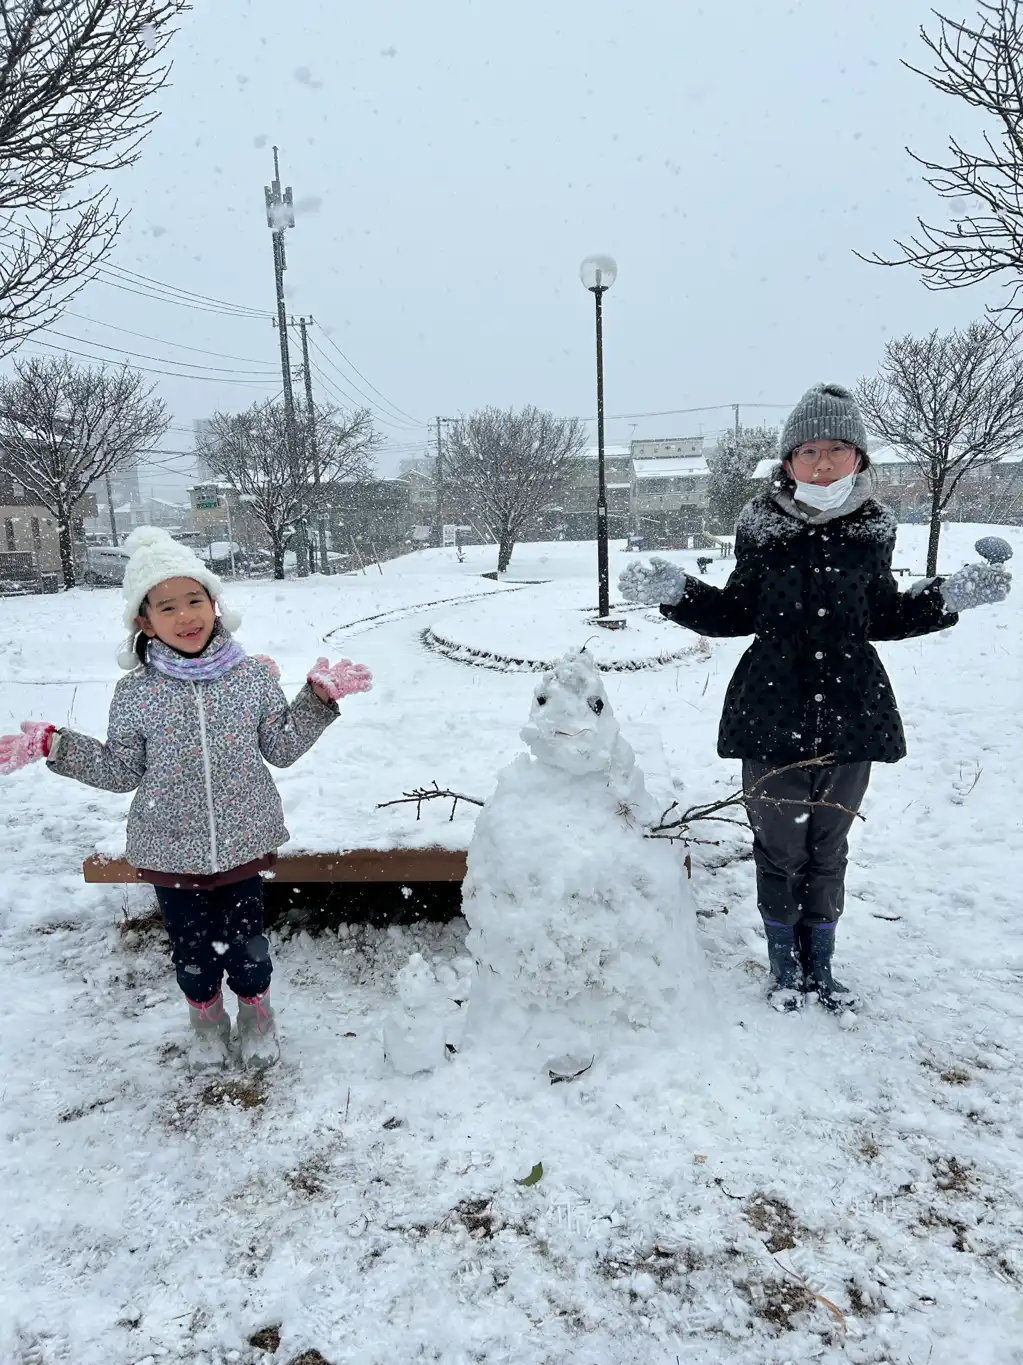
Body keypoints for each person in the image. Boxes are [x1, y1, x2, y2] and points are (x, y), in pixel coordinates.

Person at [619, 383, 1011, 1013]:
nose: (822, 463)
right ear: (788, 461)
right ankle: (783, 967)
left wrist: (948, 598)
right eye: (808, 451)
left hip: (852, 712)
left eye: (837, 449)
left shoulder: (873, 528)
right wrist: (676, 592)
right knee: (779, 850)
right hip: (770, 710)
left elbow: (880, 616)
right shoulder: (760, 524)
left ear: (858, 458)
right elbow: (733, 611)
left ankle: (819, 966)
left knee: (828, 849)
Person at [0, 527, 373, 1070]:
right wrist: (57, 746)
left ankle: (256, 1014)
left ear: (214, 603)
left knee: (248, 944)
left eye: (194, 599)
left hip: (243, 843)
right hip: (169, 851)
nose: (185, 615)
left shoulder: (250, 677)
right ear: (143, 621)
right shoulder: (135, 693)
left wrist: (316, 700)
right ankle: (205, 1019)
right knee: (193, 953)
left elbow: (282, 747)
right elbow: (121, 769)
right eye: (167, 605)